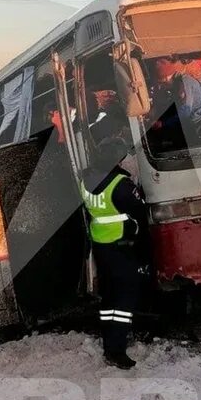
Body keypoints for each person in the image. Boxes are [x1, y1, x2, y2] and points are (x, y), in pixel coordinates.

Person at [80, 139, 150, 370]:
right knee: (125, 297)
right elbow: (140, 210)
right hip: (121, 244)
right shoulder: (120, 184)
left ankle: (109, 338)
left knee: (109, 296)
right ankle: (117, 349)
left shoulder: (86, 179)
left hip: (101, 244)